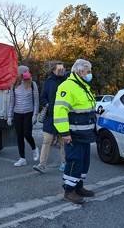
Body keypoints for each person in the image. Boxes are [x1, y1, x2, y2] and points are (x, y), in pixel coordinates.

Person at [53, 59, 97, 204]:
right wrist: (65, 133)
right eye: (88, 71)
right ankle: (69, 190)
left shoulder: (83, 86)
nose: (90, 74)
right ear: (79, 72)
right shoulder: (67, 86)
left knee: (83, 162)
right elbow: (60, 111)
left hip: (85, 133)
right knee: (74, 162)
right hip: (74, 134)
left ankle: (78, 187)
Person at [33, 61, 67, 173]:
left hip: (63, 117)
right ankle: (42, 164)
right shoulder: (48, 82)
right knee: (46, 141)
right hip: (50, 117)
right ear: (53, 70)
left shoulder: (67, 81)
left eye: (63, 69)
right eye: (59, 69)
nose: (62, 71)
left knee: (63, 142)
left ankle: (64, 163)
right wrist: (48, 104)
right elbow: (42, 96)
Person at [7, 65, 40, 167]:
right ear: (20, 73)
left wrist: (35, 115)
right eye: (25, 71)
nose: (27, 73)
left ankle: (34, 148)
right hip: (17, 113)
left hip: (28, 113)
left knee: (27, 134)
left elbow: (36, 101)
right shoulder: (14, 85)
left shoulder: (32, 84)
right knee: (19, 136)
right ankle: (22, 158)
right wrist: (9, 116)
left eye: (28, 71)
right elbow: (12, 102)